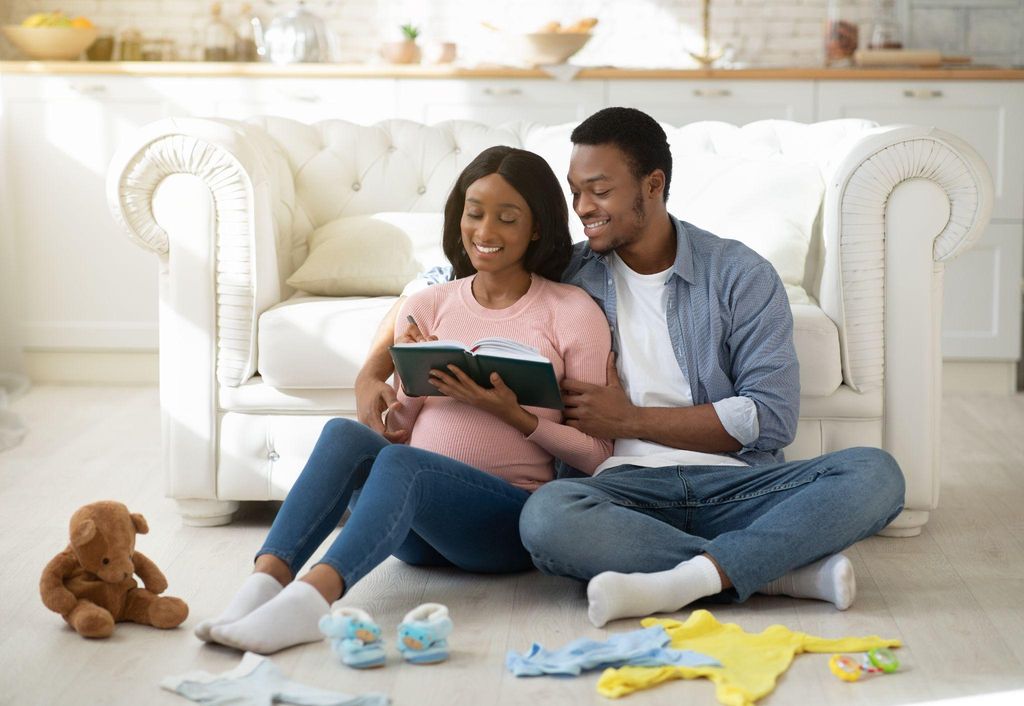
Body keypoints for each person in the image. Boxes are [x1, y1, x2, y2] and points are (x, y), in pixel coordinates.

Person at [355, 107, 906, 628]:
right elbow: (436, 282)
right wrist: (371, 371)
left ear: (653, 185)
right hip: (616, 495)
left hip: (738, 486)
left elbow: (769, 419)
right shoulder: (568, 271)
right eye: (576, 193)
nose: (583, 207)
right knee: (545, 518)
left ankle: (681, 577)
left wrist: (631, 421)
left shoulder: (739, 274)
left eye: (600, 190)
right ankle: (774, 572)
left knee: (876, 473)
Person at [195, 146, 613, 654]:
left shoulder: (570, 312)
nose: (485, 232)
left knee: (402, 464)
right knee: (344, 434)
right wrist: (395, 409)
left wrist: (514, 416)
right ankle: (261, 587)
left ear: (537, 228)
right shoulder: (427, 304)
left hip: (501, 526)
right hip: (416, 528)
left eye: (507, 218)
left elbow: (596, 453)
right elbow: (406, 425)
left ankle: (311, 604)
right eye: (474, 213)